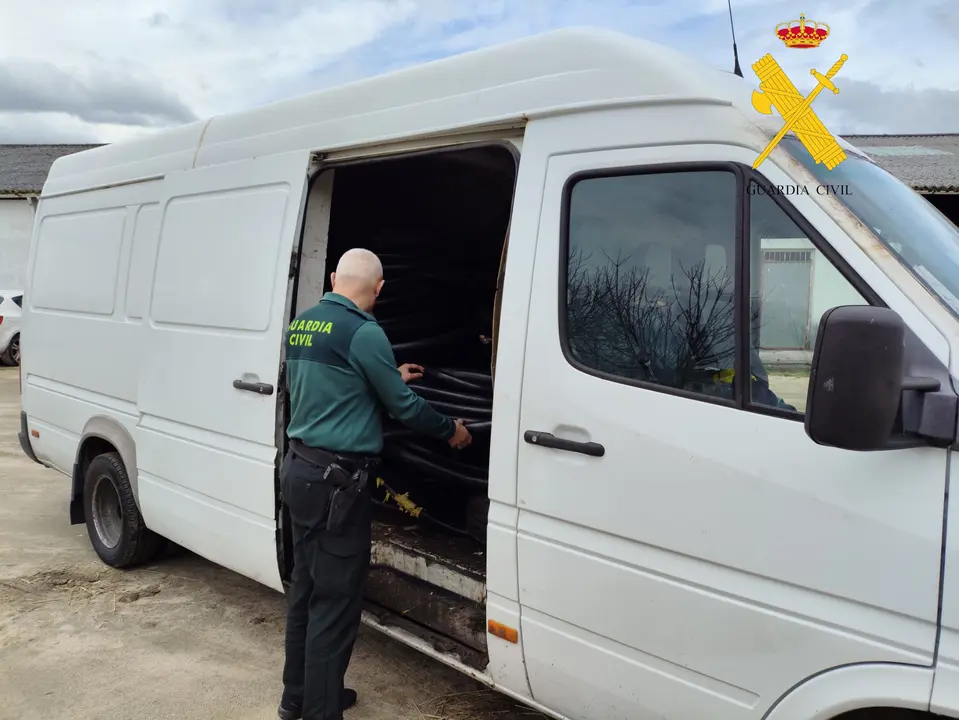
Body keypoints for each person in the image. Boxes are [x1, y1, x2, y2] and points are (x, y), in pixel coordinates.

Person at [277, 248, 472, 720]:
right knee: (335, 601)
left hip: (299, 470)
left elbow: (333, 386)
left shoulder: (303, 322)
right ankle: (321, 712)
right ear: (380, 288)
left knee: (305, 588)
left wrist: (386, 375)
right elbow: (404, 407)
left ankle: (296, 697)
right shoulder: (366, 332)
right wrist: (451, 430)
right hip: (337, 486)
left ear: (333, 278)